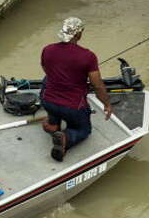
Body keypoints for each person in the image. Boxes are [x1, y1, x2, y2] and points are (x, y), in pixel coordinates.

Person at [40, 17, 113, 162]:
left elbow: (46, 70)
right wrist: (107, 104)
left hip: (47, 101)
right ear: (78, 34)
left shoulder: (47, 50)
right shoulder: (88, 56)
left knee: (46, 80)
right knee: (83, 130)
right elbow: (97, 85)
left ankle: (53, 124)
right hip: (73, 108)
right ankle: (66, 137)